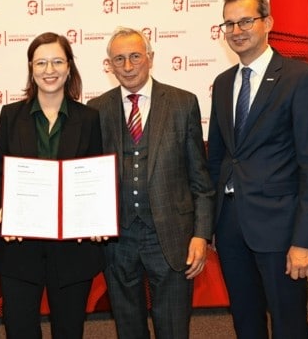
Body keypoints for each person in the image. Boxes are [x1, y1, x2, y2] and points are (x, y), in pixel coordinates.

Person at [207, 0, 308, 339]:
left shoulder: (302, 79)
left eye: (245, 20)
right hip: (230, 227)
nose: (236, 30)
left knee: (288, 323)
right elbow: (218, 157)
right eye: (229, 23)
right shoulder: (223, 83)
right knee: (245, 321)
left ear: (268, 23)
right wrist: (213, 222)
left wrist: (306, 240)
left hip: (281, 230)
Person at [87, 27, 214, 339]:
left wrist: (201, 235)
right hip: (118, 240)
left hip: (170, 236)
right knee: (128, 327)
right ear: (109, 64)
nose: (128, 66)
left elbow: (200, 178)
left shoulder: (183, 103)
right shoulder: (95, 110)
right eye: (119, 59)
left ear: (150, 58)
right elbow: (88, 178)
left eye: (135, 57)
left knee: (172, 325)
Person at [0, 32, 105, 339]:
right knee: (19, 329)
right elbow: (1, 171)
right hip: (21, 245)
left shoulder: (90, 118)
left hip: (72, 248)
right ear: (31, 68)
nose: (49, 69)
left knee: (69, 330)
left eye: (57, 61)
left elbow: (95, 175)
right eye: (41, 62)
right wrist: (8, 206)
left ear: (69, 68)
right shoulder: (10, 115)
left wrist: (95, 216)